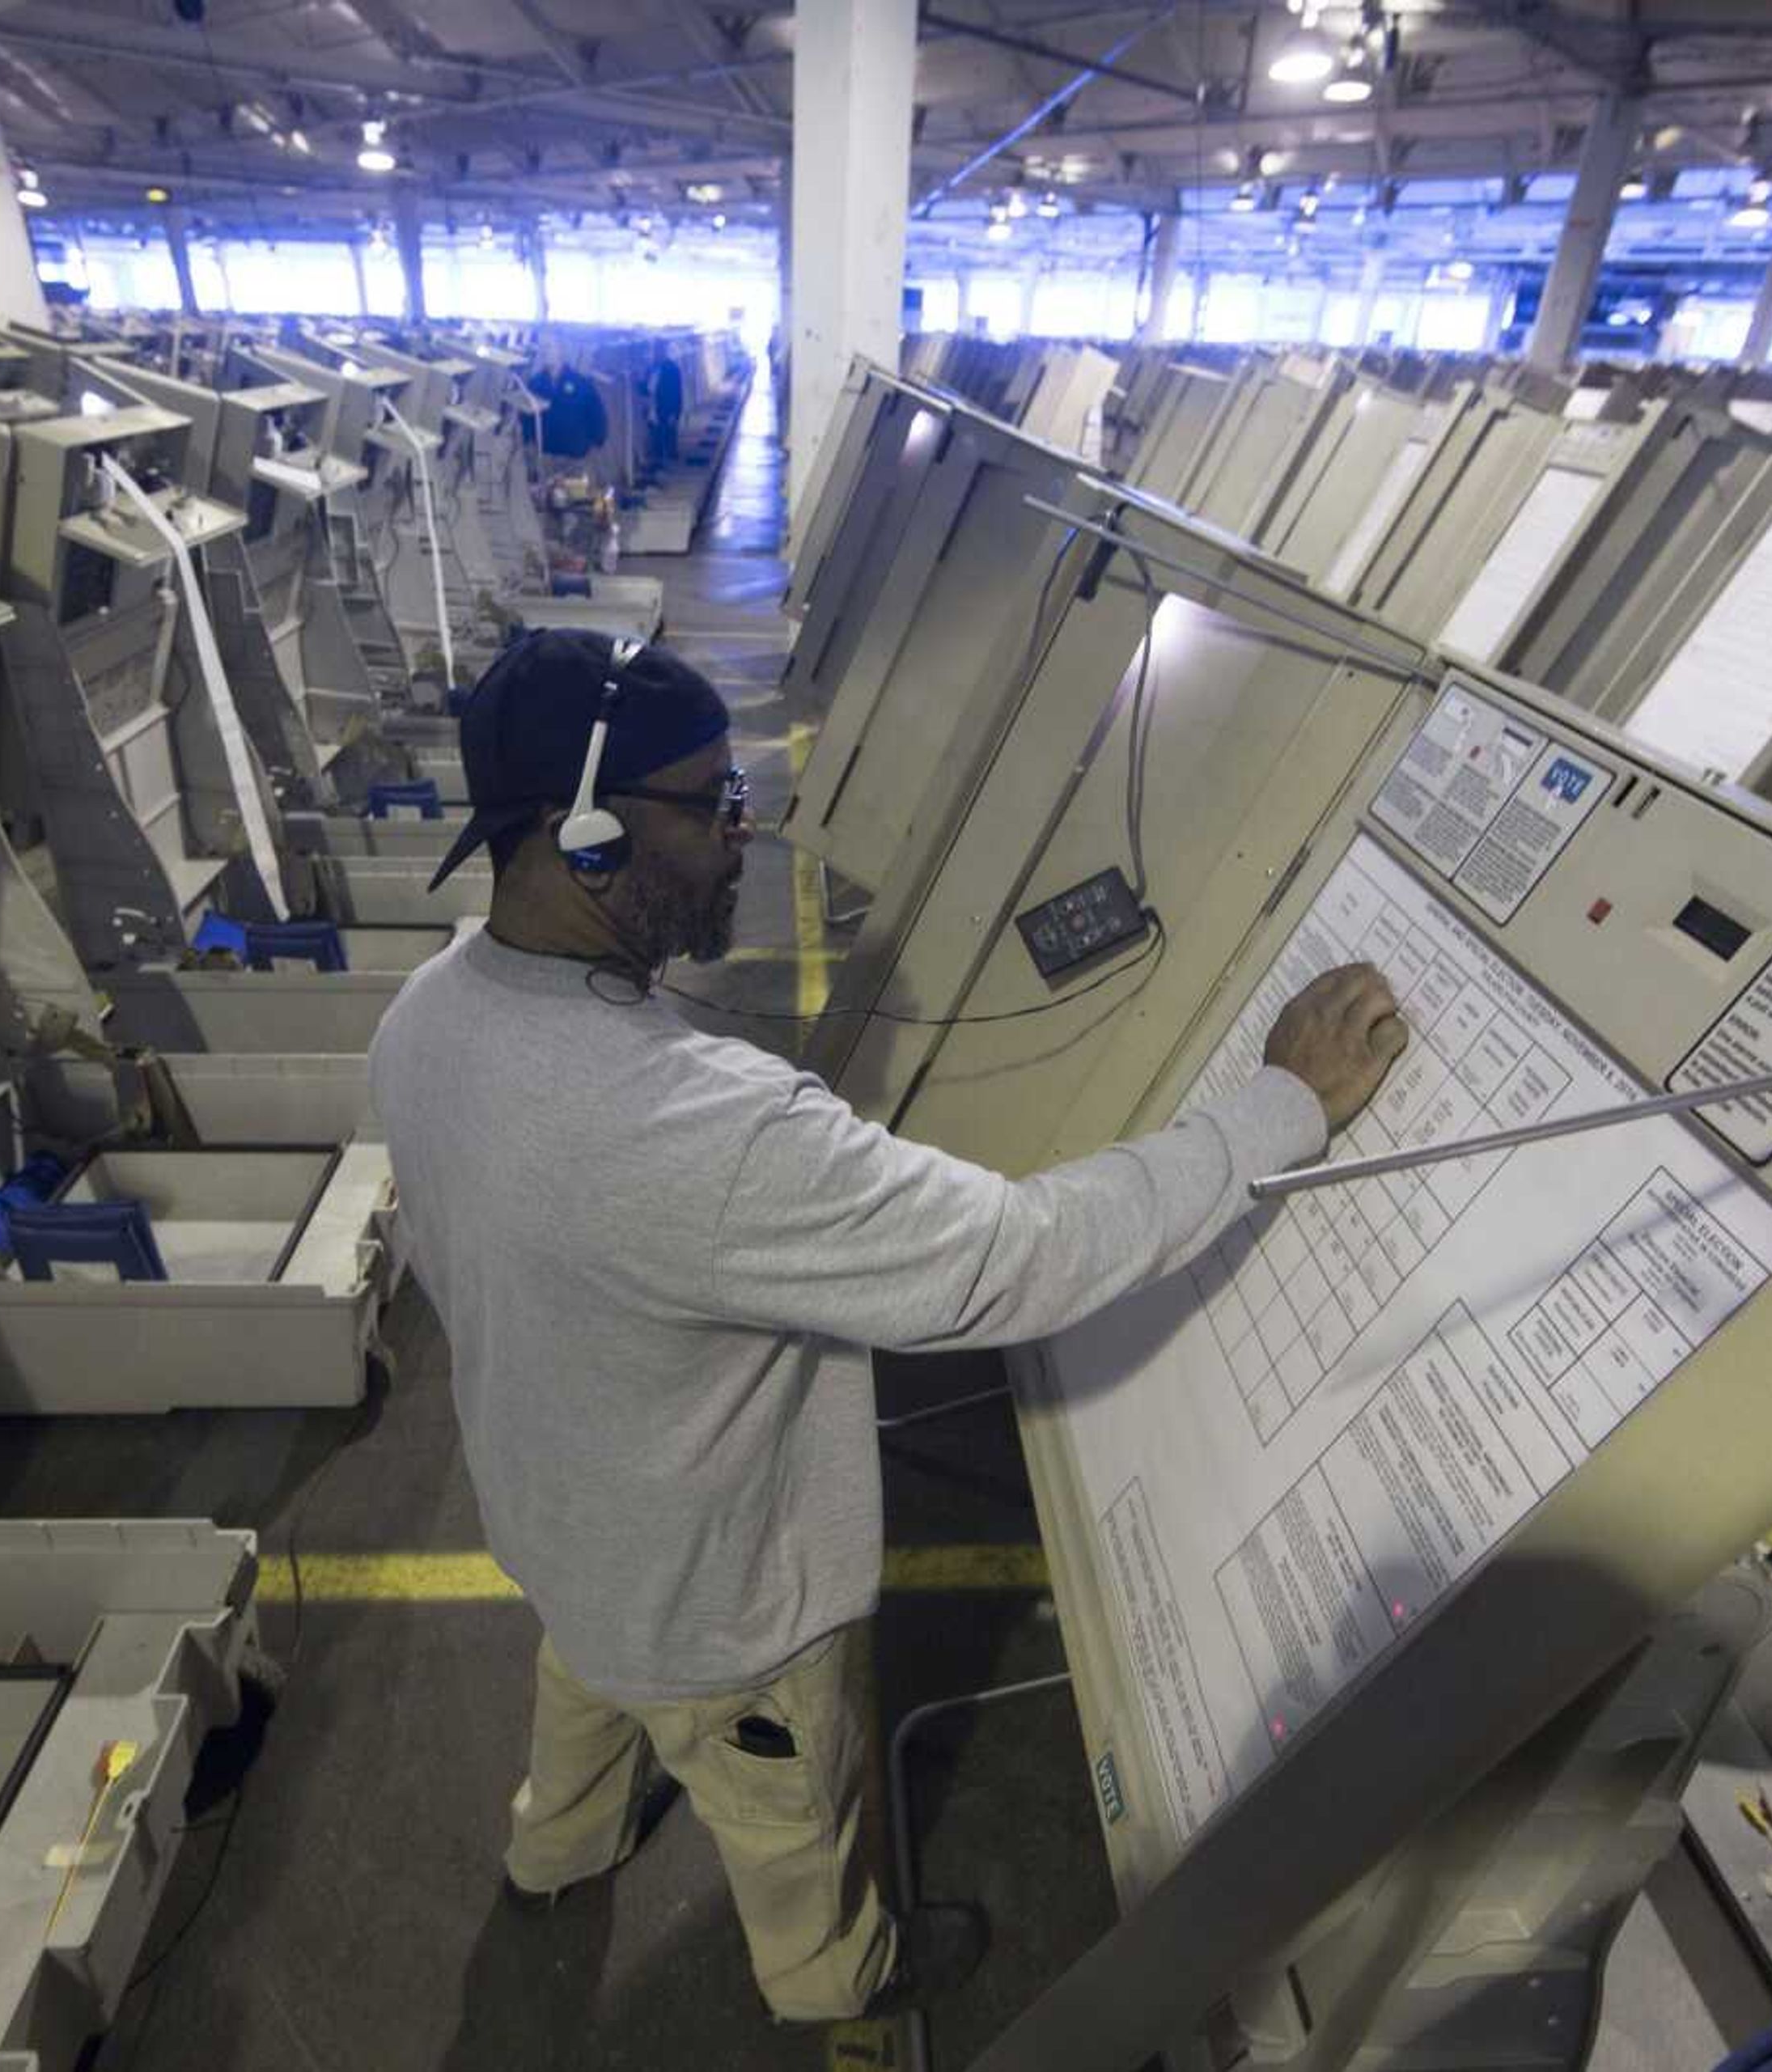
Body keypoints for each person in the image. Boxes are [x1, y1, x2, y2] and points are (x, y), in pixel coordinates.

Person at [367, 629, 1409, 2024]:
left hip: (562, 1529)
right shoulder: (703, 1130)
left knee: (587, 1696)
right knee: (793, 1825)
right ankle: (836, 1984)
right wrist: (1284, 1103)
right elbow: (1018, 1259)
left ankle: (556, 1847)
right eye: (715, 803)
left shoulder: (428, 1011)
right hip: (724, 1615)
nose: (747, 834)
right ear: (592, 835)